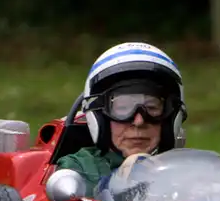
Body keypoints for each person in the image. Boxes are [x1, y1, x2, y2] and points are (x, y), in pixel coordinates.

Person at [56, 42, 187, 189]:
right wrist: (120, 181)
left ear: (171, 116)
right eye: (123, 108)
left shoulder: (186, 171)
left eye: (151, 108)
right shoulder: (78, 169)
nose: (139, 121)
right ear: (100, 117)